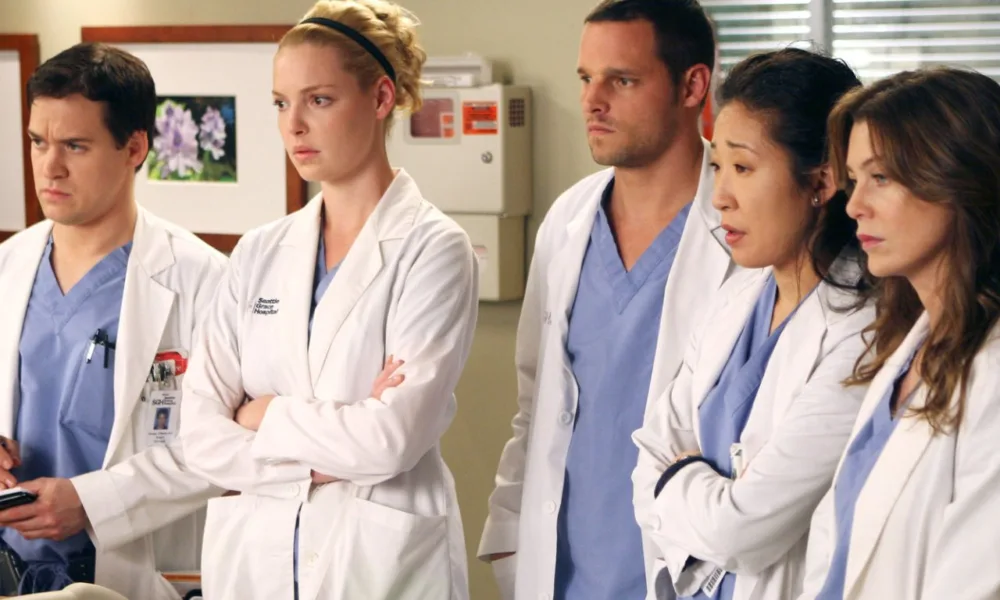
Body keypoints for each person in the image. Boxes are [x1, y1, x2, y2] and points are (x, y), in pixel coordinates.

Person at [176, 1, 479, 598]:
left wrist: (262, 414)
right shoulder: (258, 251)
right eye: (280, 103)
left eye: (318, 100)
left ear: (381, 97)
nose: (293, 126)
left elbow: (390, 441)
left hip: (377, 565)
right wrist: (328, 454)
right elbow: (201, 438)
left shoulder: (434, 249)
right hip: (256, 562)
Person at [479, 1, 735, 599]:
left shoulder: (739, 229)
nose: (592, 101)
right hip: (563, 570)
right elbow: (535, 401)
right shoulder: (568, 220)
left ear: (693, 86)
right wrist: (510, 530)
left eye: (621, 81)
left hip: (684, 566)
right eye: (586, 78)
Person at [630, 48, 872, 600]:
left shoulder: (864, 330)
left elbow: (742, 530)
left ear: (821, 181)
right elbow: (647, 461)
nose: (720, 198)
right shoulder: (736, 299)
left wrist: (680, 479)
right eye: (717, 167)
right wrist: (706, 494)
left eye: (743, 168)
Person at [0, 43, 227, 597]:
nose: (49, 167)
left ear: (135, 148)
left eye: (75, 146)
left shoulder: (205, 281)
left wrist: (93, 502)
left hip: (129, 571)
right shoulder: (8, 265)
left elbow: (225, 445)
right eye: (38, 141)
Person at [798, 67, 1000, 600]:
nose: (853, 205)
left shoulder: (993, 373)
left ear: (958, 177)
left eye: (881, 177)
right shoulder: (908, 348)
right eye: (854, 178)